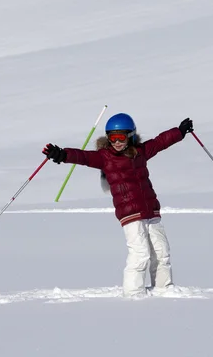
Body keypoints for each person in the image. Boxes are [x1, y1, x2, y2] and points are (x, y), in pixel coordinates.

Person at [42, 113, 194, 298]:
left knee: (161, 252)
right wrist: (62, 154)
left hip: (151, 210)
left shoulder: (141, 151)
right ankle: (133, 295)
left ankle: (164, 290)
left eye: (120, 137)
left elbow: (160, 142)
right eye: (112, 138)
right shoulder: (105, 157)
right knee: (140, 254)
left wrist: (179, 131)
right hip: (130, 213)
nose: (116, 142)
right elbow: (82, 156)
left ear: (130, 136)